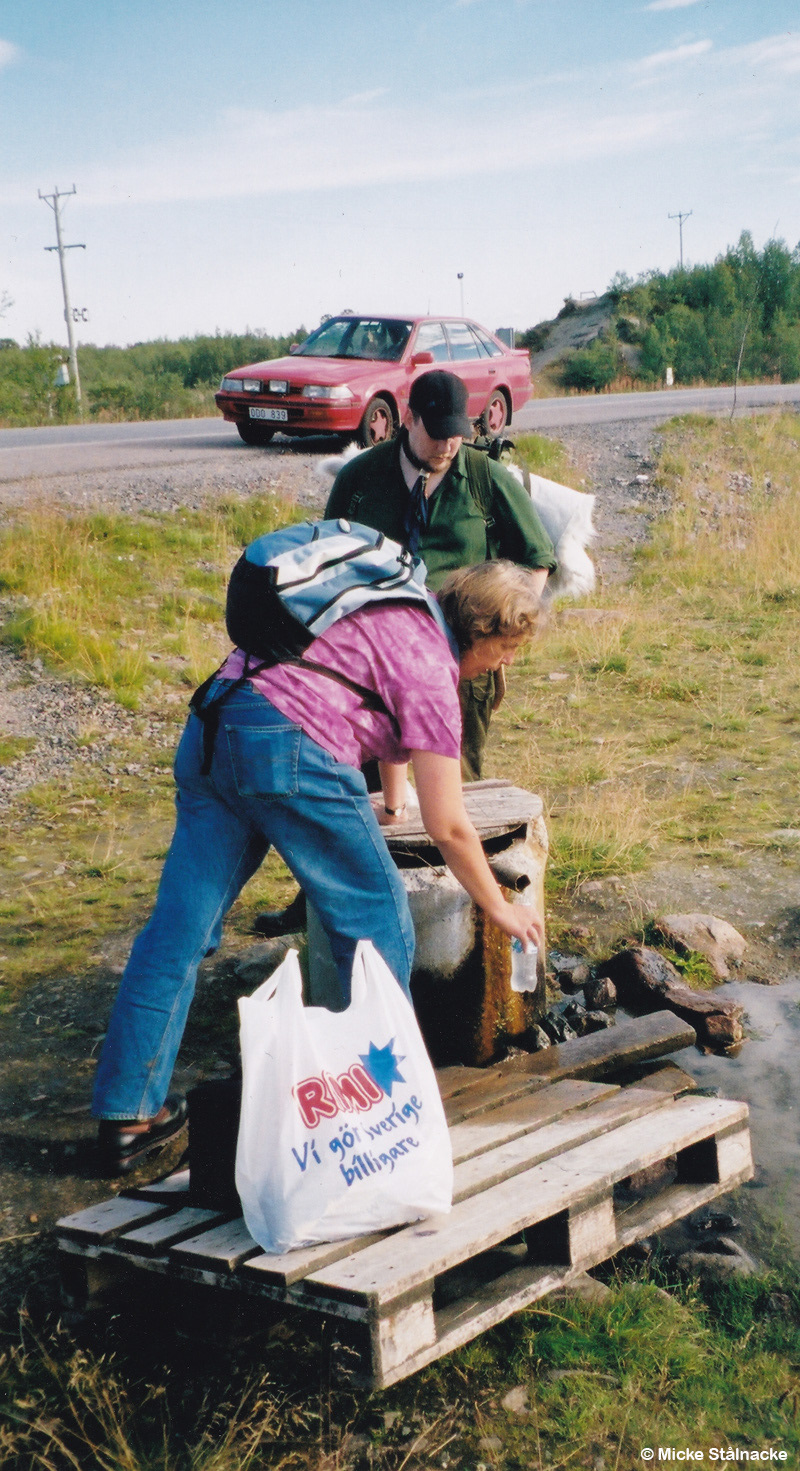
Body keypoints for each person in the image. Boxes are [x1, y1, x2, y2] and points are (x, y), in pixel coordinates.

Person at [92, 557, 544, 1174]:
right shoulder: (434, 671)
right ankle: (379, 1118)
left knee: (178, 931)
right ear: (483, 631)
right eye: (508, 648)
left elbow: (377, 713)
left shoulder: (393, 610)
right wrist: (497, 905)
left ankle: (128, 1115)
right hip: (287, 745)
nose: (505, 663)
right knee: (378, 927)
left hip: (215, 721)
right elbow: (449, 825)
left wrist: (392, 803)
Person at [325, 369, 558, 781]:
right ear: (408, 418)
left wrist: (506, 630)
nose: (448, 445)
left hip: (463, 659)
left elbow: (537, 558)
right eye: (436, 434)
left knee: (459, 781)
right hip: (377, 662)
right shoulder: (359, 478)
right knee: (372, 783)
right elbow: (328, 562)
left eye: (456, 434)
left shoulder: (486, 478)